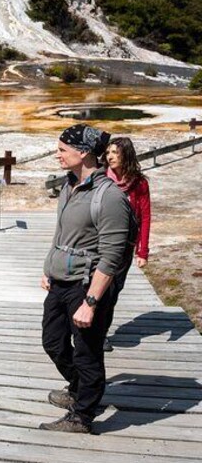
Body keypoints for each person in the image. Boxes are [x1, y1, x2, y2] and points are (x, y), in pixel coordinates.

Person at [38, 124, 133, 434]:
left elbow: (112, 257)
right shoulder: (68, 186)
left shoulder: (110, 198)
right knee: (52, 342)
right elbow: (62, 231)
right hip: (60, 281)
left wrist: (91, 302)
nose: (57, 155)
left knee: (87, 352)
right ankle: (80, 390)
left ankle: (82, 416)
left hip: (86, 285)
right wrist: (47, 267)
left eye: (63, 150)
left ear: (83, 153)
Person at [102, 136, 151, 352]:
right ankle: (90, 332)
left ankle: (101, 332)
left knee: (113, 292)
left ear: (126, 156)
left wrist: (143, 251)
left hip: (125, 246)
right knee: (96, 289)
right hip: (100, 244)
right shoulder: (101, 178)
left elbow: (145, 217)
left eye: (115, 153)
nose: (110, 156)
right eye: (108, 152)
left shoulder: (139, 183)